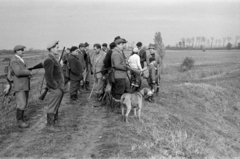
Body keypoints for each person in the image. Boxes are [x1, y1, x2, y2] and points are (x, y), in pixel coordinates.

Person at [44, 41, 65, 127]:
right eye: (56, 47)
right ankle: (50, 125)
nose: (58, 49)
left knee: (56, 105)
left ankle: (54, 122)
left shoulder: (54, 58)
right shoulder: (49, 60)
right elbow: (48, 76)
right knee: (52, 106)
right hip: (55, 87)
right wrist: (55, 86)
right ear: (51, 49)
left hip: (59, 86)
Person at [10, 45, 32, 128]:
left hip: (23, 85)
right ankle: (20, 122)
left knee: (24, 103)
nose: (23, 51)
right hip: (20, 85)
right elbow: (18, 72)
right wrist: (29, 72)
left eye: (23, 50)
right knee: (21, 104)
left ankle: (21, 119)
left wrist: (27, 73)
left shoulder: (19, 59)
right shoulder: (14, 60)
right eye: (21, 50)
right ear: (16, 51)